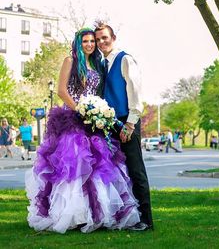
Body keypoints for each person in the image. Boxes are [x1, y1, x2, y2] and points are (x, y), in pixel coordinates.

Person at [25, 27, 140, 234]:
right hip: (73, 119)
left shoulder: (97, 63)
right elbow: (61, 90)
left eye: (92, 41)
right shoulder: (71, 61)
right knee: (74, 167)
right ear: (79, 43)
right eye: (86, 41)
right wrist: (80, 109)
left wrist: (95, 113)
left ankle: (95, 213)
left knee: (98, 167)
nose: (90, 44)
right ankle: (72, 214)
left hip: (92, 121)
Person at [95, 23, 153, 231]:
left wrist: (129, 124)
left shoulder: (125, 59)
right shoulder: (103, 64)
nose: (101, 42)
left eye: (105, 38)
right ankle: (127, 217)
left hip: (126, 122)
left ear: (113, 37)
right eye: (98, 39)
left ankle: (146, 220)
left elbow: (136, 94)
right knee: (119, 173)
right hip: (110, 125)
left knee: (136, 171)